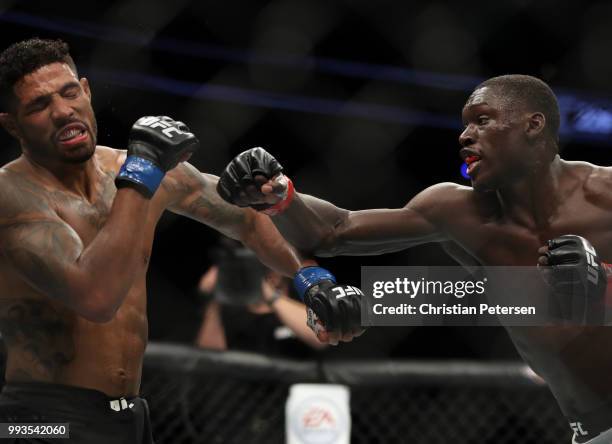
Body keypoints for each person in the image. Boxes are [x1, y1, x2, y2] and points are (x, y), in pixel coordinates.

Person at [217, 74, 612, 443]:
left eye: (482, 120)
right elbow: (334, 231)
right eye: (464, 124)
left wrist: (605, 279)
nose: (465, 136)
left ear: (533, 125)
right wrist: (281, 197)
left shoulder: (606, 192)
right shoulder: (457, 211)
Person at [0, 38, 352, 443]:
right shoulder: (12, 195)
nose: (63, 111)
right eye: (39, 106)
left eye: (69, 93)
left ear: (87, 89)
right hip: (45, 419)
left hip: (130, 414)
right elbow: (95, 297)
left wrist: (311, 279)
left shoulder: (131, 169)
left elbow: (248, 221)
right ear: (12, 124)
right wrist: (142, 175)